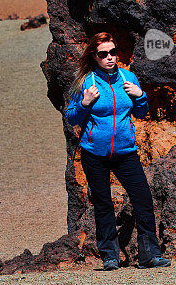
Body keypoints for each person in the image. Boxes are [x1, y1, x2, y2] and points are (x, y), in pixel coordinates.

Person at [64, 31, 170, 271]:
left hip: (125, 152)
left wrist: (140, 95)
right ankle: (110, 257)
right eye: (104, 54)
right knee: (103, 204)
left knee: (143, 199)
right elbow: (72, 117)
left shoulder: (128, 78)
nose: (110, 57)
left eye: (113, 52)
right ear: (95, 56)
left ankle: (149, 254)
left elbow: (142, 113)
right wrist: (85, 103)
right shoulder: (85, 82)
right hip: (95, 154)